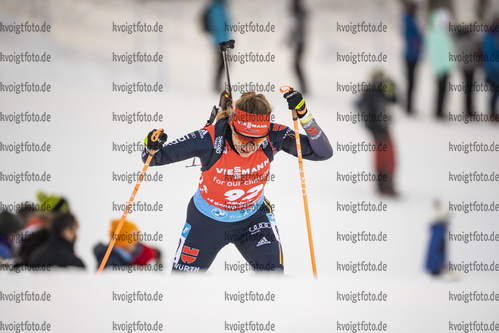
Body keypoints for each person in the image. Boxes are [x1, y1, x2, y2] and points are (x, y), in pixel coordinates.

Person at [142, 90, 332, 273]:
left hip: (253, 220)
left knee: (273, 279)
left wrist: (304, 115)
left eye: (256, 141)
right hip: (206, 222)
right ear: (232, 125)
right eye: (242, 138)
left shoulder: (273, 135)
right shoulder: (210, 139)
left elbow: (323, 153)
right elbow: (153, 158)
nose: (248, 147)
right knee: (181, 285)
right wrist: (150, 145)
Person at [357, 69, 398, 196]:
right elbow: (394, 99)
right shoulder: (377, 90)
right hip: (380, 128)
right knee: (387, 157)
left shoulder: (368, 91)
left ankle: (383, 186)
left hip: (376, 128)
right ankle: (386, 186)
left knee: (381, 156)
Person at [94, 219, 161, 269]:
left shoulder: (119, 259)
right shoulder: (111, 263)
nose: (136, 246)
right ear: (124, 243)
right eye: (134, 242)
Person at [425, 8, 454, 119]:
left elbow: (448, 51)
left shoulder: (444, 34)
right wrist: (437, 67)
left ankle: (441, 110)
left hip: (445, 67)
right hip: (439, 68)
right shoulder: (434, 34)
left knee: (444, 90)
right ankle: (438, 111)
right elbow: (434, 52)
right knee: (440, 90)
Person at [401, 0, 422, 114]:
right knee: (410, 82)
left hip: (413, 55)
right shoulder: (408, 20)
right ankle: (408, 107)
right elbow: (410, 38)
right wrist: (417, 45)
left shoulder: (412, 20)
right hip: (410, 55)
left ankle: (410, 105)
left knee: (412, 82)